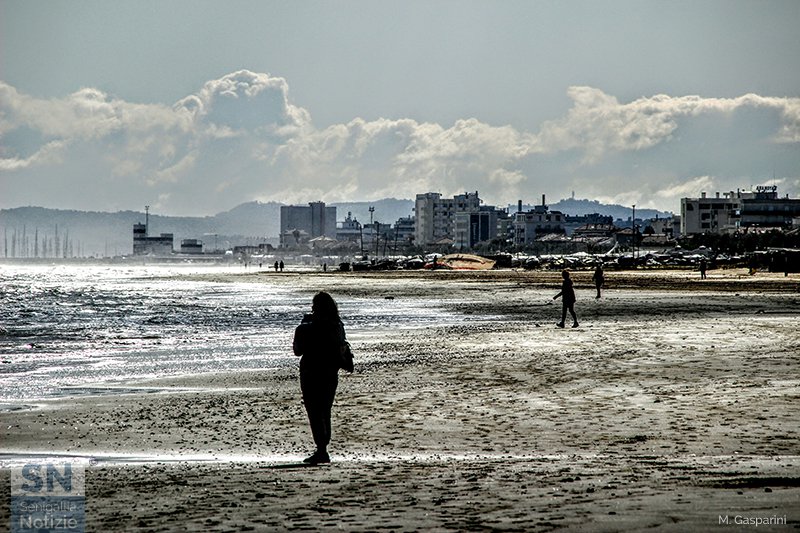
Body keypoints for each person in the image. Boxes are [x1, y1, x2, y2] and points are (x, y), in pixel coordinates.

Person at [292, 291, 348, 465]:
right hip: (330, 372)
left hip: (311, 372)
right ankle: (323, 447)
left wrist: (303, 327)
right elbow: (341, 346)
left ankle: (321, 449)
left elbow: (297, 350)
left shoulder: (308, 328)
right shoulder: (337, 325)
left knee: (314, 411)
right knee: (325, 410)